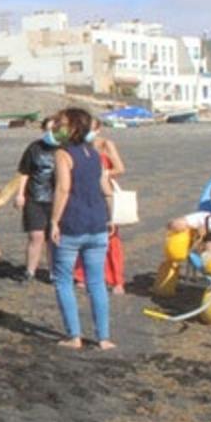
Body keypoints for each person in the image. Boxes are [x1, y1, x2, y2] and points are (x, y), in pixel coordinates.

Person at [50, 107, 115, 350]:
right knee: (96, 282)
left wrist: (54, 220)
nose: (57, 126)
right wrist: (110, 217)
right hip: (97, 222)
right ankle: (104, 337)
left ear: (74, 127)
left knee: (64, 280)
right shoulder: (94, 153)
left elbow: (63, 188)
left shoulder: (64, 153)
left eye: (62, 123)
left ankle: (74, 336)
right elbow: (105, 188)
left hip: (72, 224)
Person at [75, 119, 127, 293]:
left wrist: (103, 173)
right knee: (84, 234)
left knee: (110, 237)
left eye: (91, 129)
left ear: (98, 129)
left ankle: (116, 279)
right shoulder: (78, 145)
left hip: (105, 193)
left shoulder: (106, 144)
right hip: (84, 192)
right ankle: (83, 275)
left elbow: (120, 169)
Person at [14, 116, 60, 282]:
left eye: (53, 129)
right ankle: (30, 271)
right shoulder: (34, 148)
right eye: (47, 129)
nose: (50, 133)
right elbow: (25, 172)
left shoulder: (64, 149)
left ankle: (54, 272)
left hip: (56, 199)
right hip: (35, 197)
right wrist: (20, 194)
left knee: (53, 238)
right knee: (36, 236)